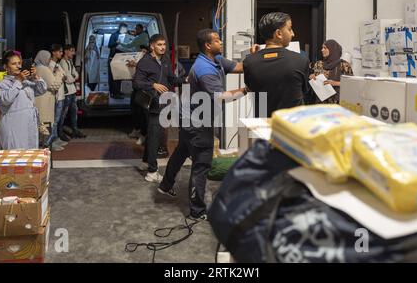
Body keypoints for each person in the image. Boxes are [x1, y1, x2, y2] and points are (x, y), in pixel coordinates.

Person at [158, 29, 249, 220]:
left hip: (188, 117)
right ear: (208, 45)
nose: (221, 42)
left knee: (182, 150)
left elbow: (238, 67)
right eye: (217, 40)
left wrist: (256, 56)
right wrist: (245, 90)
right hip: (197, 123)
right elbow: (220, 98)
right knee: (201, 165)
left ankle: (165, 185)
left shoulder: (215, 59)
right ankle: (197, 211)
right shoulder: (205, 69)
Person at [133, 34, 186, 183]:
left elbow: (171, 79)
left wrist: (186, 80)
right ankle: (152, 171)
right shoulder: (144, 62)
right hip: (152, 104)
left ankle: (145, 162)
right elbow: (136, 83)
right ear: (152, 46)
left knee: (152, 135)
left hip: (164, 103)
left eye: (164, 44)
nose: (162, 47)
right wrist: (153, 85)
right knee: (155, 136)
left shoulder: (165, 60)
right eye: (159, 45)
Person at [243, 12, 310, 117]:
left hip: (263, 125)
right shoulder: (301, 60)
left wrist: (254, 58)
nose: (293, 34)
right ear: (278, 33)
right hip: (292, 126)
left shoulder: (249, 62)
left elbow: (251, 89)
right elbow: (303, 91)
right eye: (289, 29)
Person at [0, 50, 47, 150]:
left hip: (29, 125)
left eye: (19, 63)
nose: (18, 66)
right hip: (13, 126)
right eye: (14, 64)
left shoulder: (26, 82)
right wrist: (18, 80)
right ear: (6, 67)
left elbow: (42, 90)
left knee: (30, 156)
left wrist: (35, 76)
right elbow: (6, 99)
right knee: (14, 157)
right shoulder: (2, 84)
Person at [34, 50, 66, 151]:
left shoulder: (36, 67)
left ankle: (45, 145)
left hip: (39, 101)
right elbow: (54, 85)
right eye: (47, 58)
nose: (49, 60)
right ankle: (46, 147)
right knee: (46, 126)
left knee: (41, 126)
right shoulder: (43, 69)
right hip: (45, 102)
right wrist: (59, 75)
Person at [309, 40, 354, 104]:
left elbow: (351, 84)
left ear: (333, 49)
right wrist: (312, 77)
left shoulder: (344, 65)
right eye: (322, 48)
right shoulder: (319, 64)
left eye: (325, 48)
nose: (322, 50)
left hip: (338, 103)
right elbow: (316, 81)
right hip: (321, 102)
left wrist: (335, 83)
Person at [60, 44, 86, 139]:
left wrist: (73, 76)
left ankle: (75, 130)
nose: (73, 53)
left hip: (72, 91)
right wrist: (73, 76)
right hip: (67, 92)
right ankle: (60, 133)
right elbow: (68, 79)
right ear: (66, 51)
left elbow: (76, 74)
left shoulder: (69, 62)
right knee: (63, 113)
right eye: (72, 51)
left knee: (74, 112)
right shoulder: (62, 63)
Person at [48, 44, 70, 146]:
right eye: (60, 52)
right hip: (56, 95)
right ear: (53, 52)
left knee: (58, 119)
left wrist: (61, 76)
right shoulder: (50, 65)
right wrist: (61, 76)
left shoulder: (57, 64)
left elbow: (65, 76)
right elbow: (57, 79)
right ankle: (51, 141)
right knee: (54, 120)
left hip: (61, 95)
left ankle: (56, 138)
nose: (61, 53)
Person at [108, 23, 128, 99]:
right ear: (121, 28)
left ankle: (118, 92)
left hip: (121, 58)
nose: (126, 30)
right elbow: (109, 45)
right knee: (113, 77)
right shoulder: (114, 35)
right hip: (113, 58)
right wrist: (117, 42)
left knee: (119, 76)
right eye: (125, 28)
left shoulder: (125, 36)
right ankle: (113, 93)